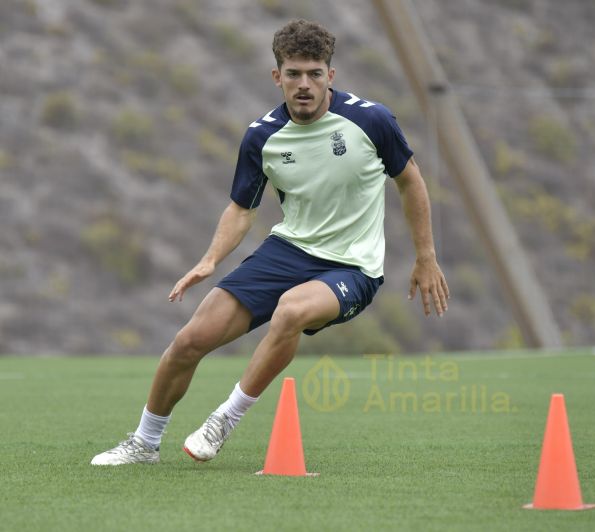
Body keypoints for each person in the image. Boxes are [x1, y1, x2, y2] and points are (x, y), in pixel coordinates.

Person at [91, 19, 449, 465]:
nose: (305, 84)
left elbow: (410, 182)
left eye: (315, 73)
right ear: (277, 76)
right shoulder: (262, 136)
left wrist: (425, 257)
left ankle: (226, 417)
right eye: (294, 73)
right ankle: (144, 444)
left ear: (330, 77)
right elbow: (242, 209)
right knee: (189, 341)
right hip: (288, 252)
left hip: (352, 266)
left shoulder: (371, 120)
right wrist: (210, 259)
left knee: (292, 310)